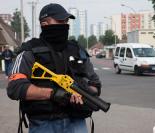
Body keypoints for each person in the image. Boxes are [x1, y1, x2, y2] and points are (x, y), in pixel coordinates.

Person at [6, 3, 101, 133]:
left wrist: (84, 93)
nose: (65, 25)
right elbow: (15, 87)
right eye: (60, 21)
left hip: (77, 123)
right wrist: (54, 94)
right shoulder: (29, 51)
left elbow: (95, 84)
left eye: (66, 21)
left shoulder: (77, 50)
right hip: (44, 124)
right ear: (44, 24)